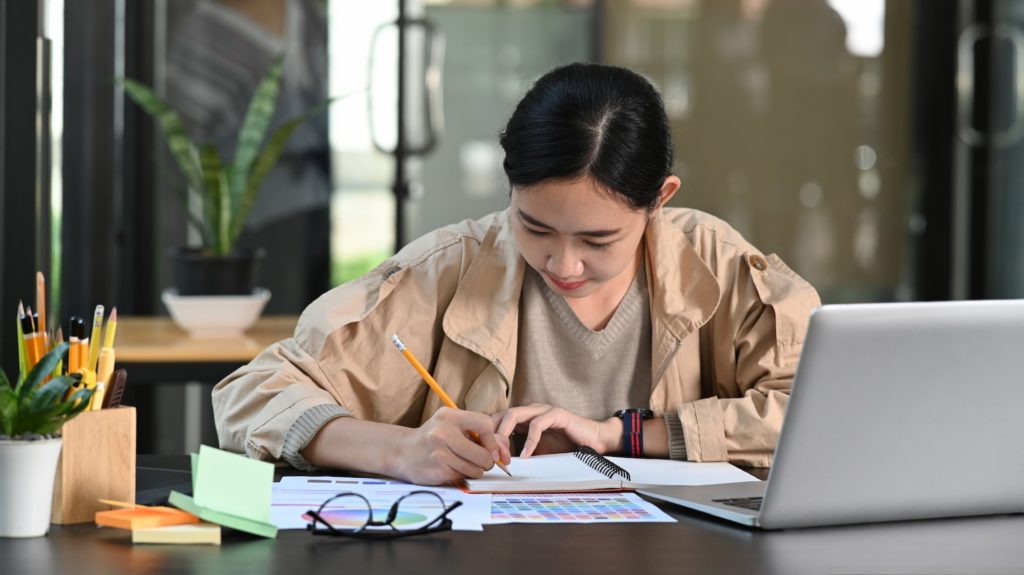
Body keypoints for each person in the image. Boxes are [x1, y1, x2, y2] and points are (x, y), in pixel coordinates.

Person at [212, 63, 821, 486]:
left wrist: (623, 435)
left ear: (659, 200)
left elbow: (821, 411)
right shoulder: (449, 267)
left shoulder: (716, 264)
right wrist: (400, 450)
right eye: (535, 227)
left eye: (598, 240)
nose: (563, 264)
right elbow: (252, 393)